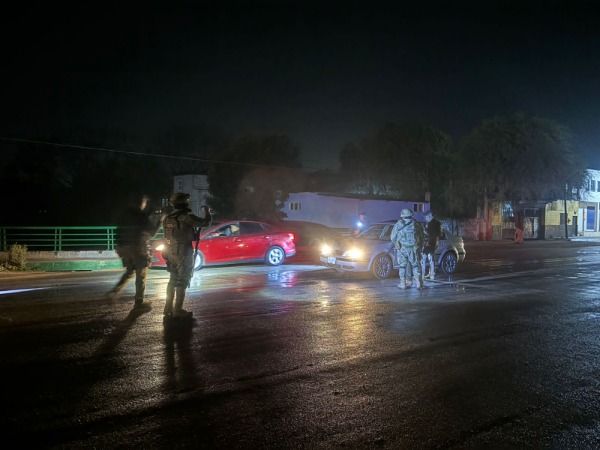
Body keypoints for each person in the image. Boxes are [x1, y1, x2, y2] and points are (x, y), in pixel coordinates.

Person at [162, 192, 212, 318]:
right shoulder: (186, 217)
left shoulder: (168, 218)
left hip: (171, 252)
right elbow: (205, 222)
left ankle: (168, 307)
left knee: (172, 279)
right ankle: (177, 310)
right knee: (183, 280)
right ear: (184, 203)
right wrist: (207, 212)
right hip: (184, 253)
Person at [107, 195, 163, 306]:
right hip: (138, 248)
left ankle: (115, 291)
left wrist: (120, 246)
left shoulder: (125, 214)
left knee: (130, 271)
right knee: (141, 274)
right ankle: (139, 301)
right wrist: (160, 221)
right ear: (142, 203)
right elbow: (152, 233)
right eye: (145, 202)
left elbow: (118, 232)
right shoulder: (141, 215)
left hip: (124, 248)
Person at [390, 208, 425, 290]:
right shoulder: (416, 225)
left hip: (402, 249)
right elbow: (422, 236)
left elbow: (392, 238)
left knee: (402, 266)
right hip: (413, 249)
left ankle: (402, 284)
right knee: (415, 265)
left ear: (402, 215)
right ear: (411, 215)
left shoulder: (398, 225)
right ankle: (419, 284)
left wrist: (398, 241)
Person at [422, 210, 443, 280]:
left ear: (430, 216)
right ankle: (431, 274)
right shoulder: (436, 223)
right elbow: (439, 234)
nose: (425, 218)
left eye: (426, 216)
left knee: (424, 258)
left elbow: (431, 233)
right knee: (431, 258)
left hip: (430, 243)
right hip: (432, 243)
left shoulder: (432, 224)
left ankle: (423, 274)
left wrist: (425, 230)